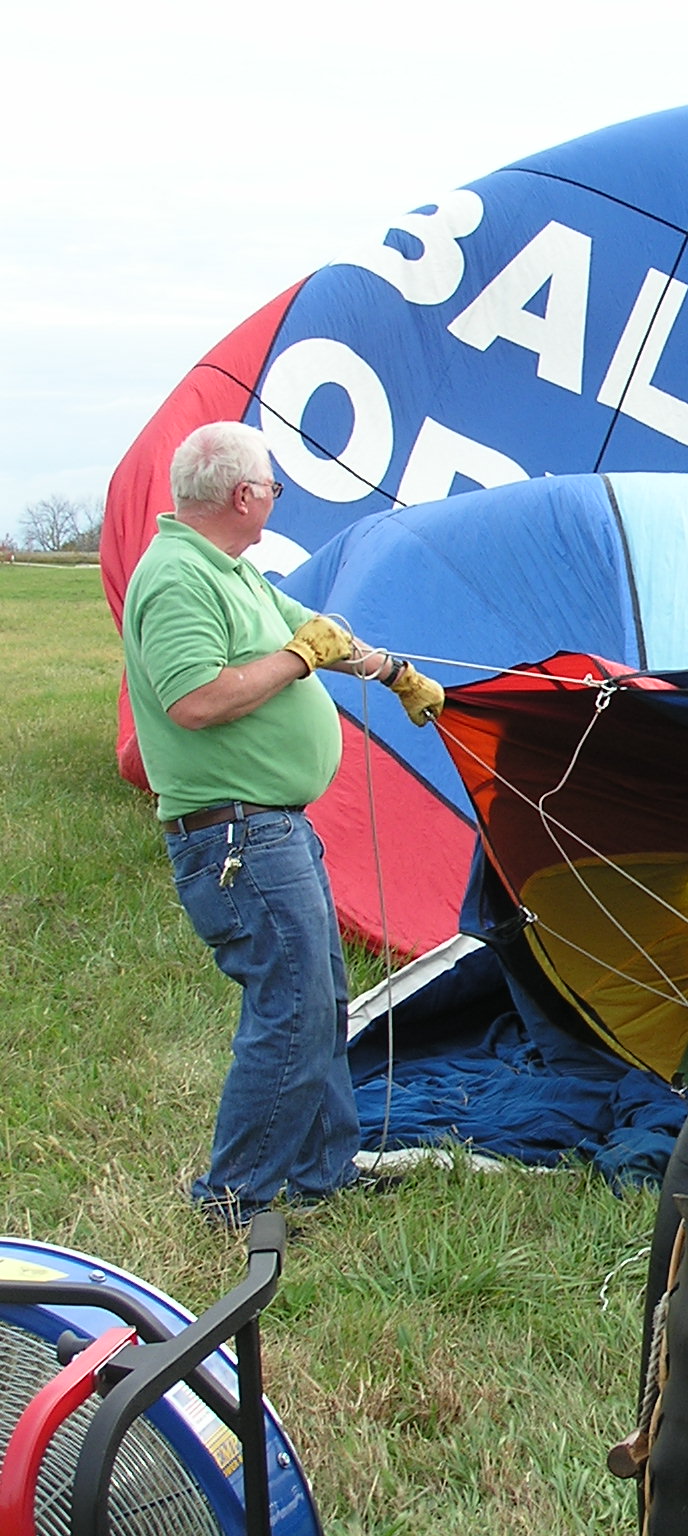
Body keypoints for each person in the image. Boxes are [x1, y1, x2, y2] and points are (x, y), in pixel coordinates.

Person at [122, 421, 445, 1226]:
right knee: (293, 1007)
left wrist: (395, 672)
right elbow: (193, 699)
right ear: (242, 495)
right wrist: (297, 660)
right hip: (235, 838)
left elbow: (323, 636)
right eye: (271, 486)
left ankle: (320, 1170)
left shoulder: (231, 571)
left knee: (322, 999)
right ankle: (233, 1198)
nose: (273, 497)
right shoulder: (175, 579)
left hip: (272, 830)